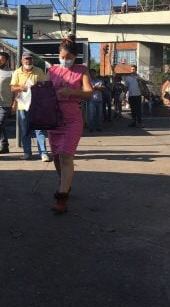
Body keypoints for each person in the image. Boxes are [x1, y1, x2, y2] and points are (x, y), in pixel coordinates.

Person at [46, 37, 93, 213]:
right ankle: (64, 183)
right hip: (53, 119)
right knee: (57, 158)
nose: (64, 60)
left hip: (73, 119)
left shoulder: (82, 70)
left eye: (68, 57)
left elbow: (89, 93)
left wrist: (71, 92)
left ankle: (62, 197)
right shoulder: (51, 70)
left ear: (75, 56)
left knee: (66, 156)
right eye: (62, 56)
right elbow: (44, 91)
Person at [10, 51, 50, 162]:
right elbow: (12, 88)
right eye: (26, 59)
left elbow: (44, 85)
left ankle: (43, 153)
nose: (28, 61)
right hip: (23, 106)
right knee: (25, 130)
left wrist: (37, 86)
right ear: (22, 61)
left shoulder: (39, 71)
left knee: (39, 130)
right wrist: (21, 88)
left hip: (37, 105)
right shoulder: (17, 72)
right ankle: (27, 153)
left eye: (30, 59)